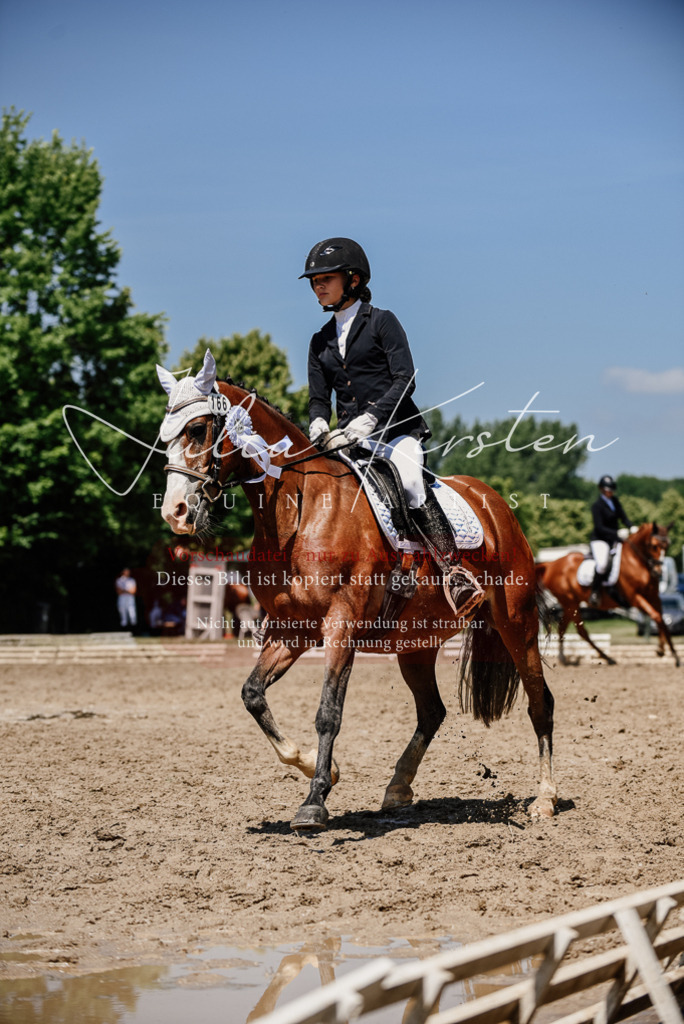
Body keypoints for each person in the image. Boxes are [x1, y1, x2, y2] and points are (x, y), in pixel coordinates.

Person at [301, 236, 478, 612]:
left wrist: (370, 419)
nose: (318, 285)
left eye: (325, 278)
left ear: (352, 280)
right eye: (314, 281)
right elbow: (319, 398)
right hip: (348, 441)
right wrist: (317, 423)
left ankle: (454, 572)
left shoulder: (382, 321)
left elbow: (405, 379)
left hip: (397, 432)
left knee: (411, 482)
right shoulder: (319, 342)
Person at [589, 475, 636, 605]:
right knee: (603, 564)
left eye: (611, 490)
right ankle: (595, 591)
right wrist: (617, 533)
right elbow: (599, 527)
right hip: (600, 539)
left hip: (615, 538)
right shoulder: (597, 506)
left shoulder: (615, 501)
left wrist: (632, 527)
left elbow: (623, 517)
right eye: (607, 490)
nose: (609, 492)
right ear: (602, 490)